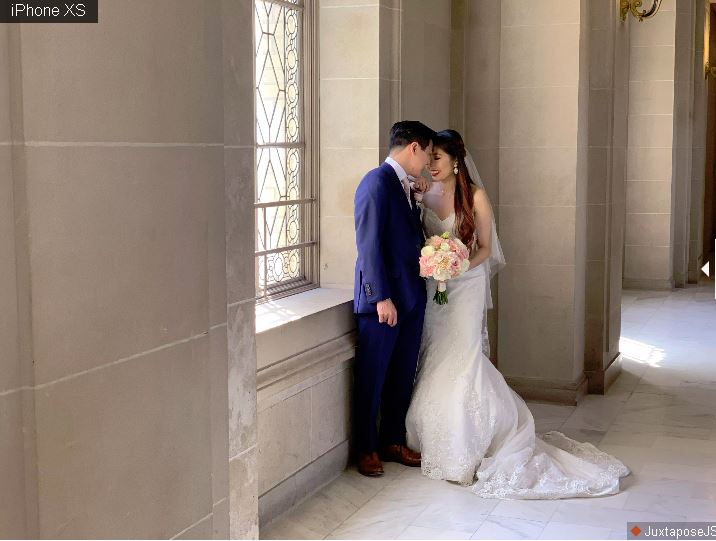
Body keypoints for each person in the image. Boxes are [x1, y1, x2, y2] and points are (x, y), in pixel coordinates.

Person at [405, 129, 630, 498]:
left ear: (456, 160)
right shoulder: (424, 193)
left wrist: (457, 265)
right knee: (436, 352)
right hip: (436, 287)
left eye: (437, 159)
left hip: (467, 285)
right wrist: (436, 265)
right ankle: (433, 433)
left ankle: (470, 439)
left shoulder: (476, 197)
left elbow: (486, 249)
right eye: (429, 159)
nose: (431, 165)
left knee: (464, 356)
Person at [352, 120, 435, 477]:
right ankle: (366, 448)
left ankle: (392, 441)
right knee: (372, 377)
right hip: (383, 303)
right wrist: (380, 298)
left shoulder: (406, 187)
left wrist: (417, 200)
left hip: (410, 298)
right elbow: (368, 245)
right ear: (414, 147)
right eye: (428, 153)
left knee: (402, 375)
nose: (428, 163)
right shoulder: (375, 182)